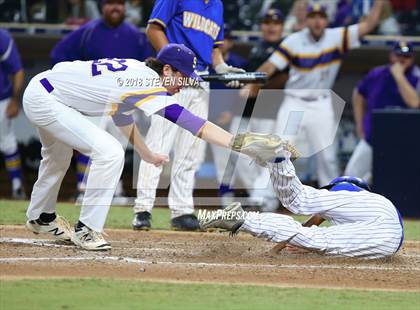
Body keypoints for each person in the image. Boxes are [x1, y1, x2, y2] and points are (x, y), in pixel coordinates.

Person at [23, 43, 282, 251]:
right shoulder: (149, 83)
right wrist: (242, 144)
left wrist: (146, 153)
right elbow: (196, 125)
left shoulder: (139, 73)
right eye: (183, 76)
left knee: (57, 158)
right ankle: (87, 229)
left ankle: (41, 218)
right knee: (110, 153)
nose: (185, 84)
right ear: (167, 70)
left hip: (46, 91)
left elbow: (120, 114)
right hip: (47, 100)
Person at [242, 1, 384, 188]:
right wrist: (252, 83)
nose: (317, 22)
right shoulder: (293, 41)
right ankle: (264, 200)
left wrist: (380, 2)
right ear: (306, 20)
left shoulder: (337, 37)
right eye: (313, 17)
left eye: (321, 17)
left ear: (327, 20)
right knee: (278, 151)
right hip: (295, 102)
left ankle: (332, 200)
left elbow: (369, 24)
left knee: (328, 157)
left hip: (321, 104)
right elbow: (270, 66)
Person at [133, 0, 244, 231]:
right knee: (158, 144)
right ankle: (142, 209)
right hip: (175, 79)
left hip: (201, 83)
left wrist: (221, 67)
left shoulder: (218, 5)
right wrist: (174, 66)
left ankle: (182, 210)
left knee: (190, 151)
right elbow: (154, 29)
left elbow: (214, 46)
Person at [201, 141, 404, 260]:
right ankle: (277, 163)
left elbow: (313, 221)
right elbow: (314, 224)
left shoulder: (346, 192)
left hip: (384, 232)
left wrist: (281, 247)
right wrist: (300, 242)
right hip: (388, 231)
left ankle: (278, 162)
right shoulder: (369, 199)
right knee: (315, 234)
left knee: (302, 203)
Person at [51, 0, 154, 200]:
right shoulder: (87, 31)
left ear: (125, 7)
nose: (114, 8)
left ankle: (115, 191)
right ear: (102, 7)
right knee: (88, 143)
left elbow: (148, 67)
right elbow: (58, 54)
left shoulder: (134, 34)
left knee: (118, 147)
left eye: (119, 3)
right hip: (93, 98)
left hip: (123, 100)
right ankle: (83, 189)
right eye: (109, 3)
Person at [345, 41, 420, 181]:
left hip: (404, 142)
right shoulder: (377, 73)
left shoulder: (417, 76)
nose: (402, 59)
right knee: (351, 176)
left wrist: (399, 76)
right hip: (372, 138)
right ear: (391, 56)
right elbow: (359, 93)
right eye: (398, 55)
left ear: (412, 58)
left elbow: (414, 103)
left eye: (406, 56)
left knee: (399, 181)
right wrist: (360, 124)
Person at [0, 28, 25, 199]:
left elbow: (17, 70)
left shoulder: (2, 37)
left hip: (1, 98)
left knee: (7, 142)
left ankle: (17, 186)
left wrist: (15, 100)